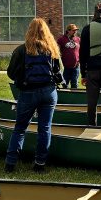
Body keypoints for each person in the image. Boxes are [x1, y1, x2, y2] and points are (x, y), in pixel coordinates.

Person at [5, 18, 63, 173]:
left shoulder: (22, 50)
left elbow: (10, 72)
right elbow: (58, 72)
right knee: (44, 128)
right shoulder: (52, 49)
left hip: (28, 92)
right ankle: (40, 164)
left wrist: (22, 80)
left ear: (29, 30)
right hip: (49, 92)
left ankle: (10, 163)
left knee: (20, 128)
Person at [57, 23, 81, 88]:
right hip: (66, 67)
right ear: (68, 31)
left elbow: (80, 51)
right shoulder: (62, 39)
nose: (75, 31)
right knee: (65, 84)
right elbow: (56, 49)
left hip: (76, 66)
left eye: (76, 30)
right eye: (73, 30)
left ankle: (75, 98)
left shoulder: (78, 39)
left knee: (74, 83)